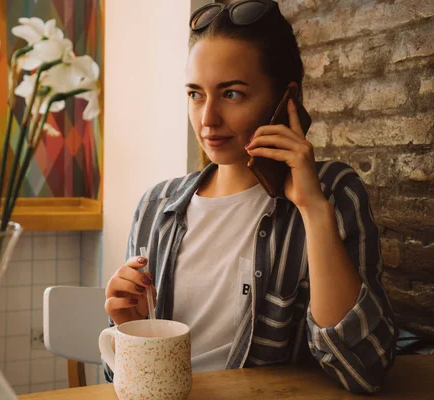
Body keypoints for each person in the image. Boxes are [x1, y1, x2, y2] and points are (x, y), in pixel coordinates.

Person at [103, 0, 397, 393]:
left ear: (287, 99)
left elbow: (363, 368)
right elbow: (121, 380)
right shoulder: (156, 206)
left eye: (232, 94)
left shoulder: (333, 191)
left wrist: (312, 209)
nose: (207, 119)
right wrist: (131, 327)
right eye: (195, 94)